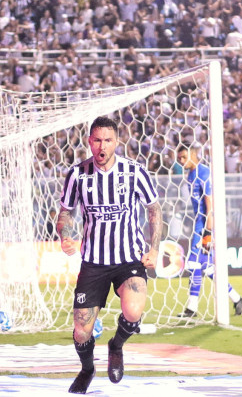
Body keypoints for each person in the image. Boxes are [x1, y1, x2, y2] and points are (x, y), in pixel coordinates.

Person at [56, 116, 164, 394]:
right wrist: (65, 235)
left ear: (116, 142)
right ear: (89, 142)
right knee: (81, 331)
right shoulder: (78, 174)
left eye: (107, 140)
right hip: (93, 263)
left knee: (134, 309)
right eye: (96, 140)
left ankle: (116, 346)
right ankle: (87, 369)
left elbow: (154, 210)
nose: (102, 146)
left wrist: (154, 249)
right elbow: (66, 212)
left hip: (129, 259)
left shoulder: (134, 172)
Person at [175, 146, 242, 318]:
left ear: (193, 154)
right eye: (179, 158)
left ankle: (192, 308)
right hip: (199, 223)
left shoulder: (204, 173)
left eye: (184, 157)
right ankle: (237, 299)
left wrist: (208, 230)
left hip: (205, 225)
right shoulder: (190, 175)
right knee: (206, 267)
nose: (181, 161)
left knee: (192, 264)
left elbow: (210, 203)